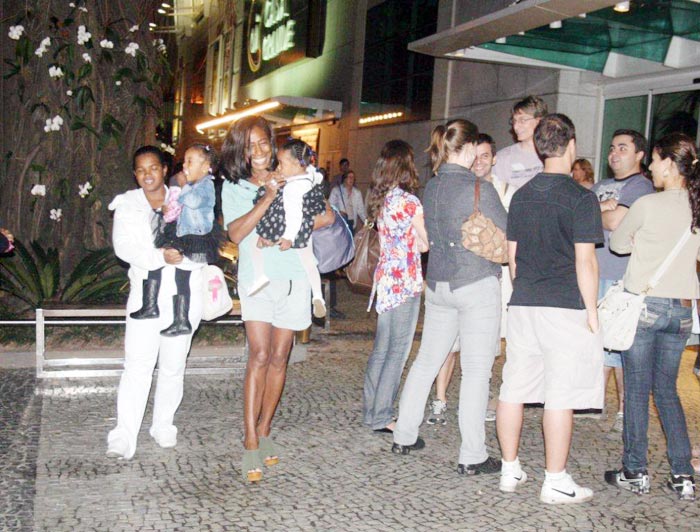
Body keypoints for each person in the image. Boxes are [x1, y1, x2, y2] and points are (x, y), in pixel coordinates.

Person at [497, 114, 604, 504]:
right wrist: (592, 311)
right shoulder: (580, 197)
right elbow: (585, 262)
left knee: (514, 387)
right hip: (563, 306)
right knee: (560, 394)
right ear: (571, 145)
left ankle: (510, 469)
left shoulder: (521, 196)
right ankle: (555, 480)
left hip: (523, 301)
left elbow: (512, 258)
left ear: (540, 149)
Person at [220, 115, 333, 482]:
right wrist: (268, 197)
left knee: (281, 357)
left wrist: (291, 225)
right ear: (241, 150)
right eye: (249, 146)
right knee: (260, 354)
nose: (257, 151)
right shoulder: (235, 186)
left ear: (272, 142)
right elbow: (236, 234)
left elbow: (327, 216)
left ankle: (265, 428)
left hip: (295, 278)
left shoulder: (294, 174)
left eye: (262, 143)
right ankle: (250, 439)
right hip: (258, 281)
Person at [392, 119, 507, 478]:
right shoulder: (480, 189)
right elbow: (507, 229)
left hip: (439, 284)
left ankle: (405, 435)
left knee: (426, 360)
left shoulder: (432, 188)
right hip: (475, 284)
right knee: (476, 371)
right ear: (470, 147)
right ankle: (473, 454)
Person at [604, 133, 700, 501]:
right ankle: (682, 474)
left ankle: (635, 470)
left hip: (644, 307)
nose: (652, 168)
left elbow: (617, 243)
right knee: (667, 390)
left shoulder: (647, 203)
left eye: (656, 160)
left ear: (669, 163)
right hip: (681, 309)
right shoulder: (696, 206)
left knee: (638, 390)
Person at [106, 145, 205, 460]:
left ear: (164, 169)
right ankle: (124, 435)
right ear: (135, 175)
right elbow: (123, 247)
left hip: (182, 297)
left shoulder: (187, 199)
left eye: (153, 168)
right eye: (140, 169)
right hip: (144, 298)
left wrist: (183, 258)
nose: (147, 174)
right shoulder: (128, 204)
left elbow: (204, 243)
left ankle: (163, 425)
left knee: (174, 366)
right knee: (137, 365)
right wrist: (158, 256)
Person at [427, 133, 512, 426]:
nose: (480, 160)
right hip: (470, 280)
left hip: (475, 278)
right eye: (476, 154)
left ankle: (472, 408)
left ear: (494, 159)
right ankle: (445, 407)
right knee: (456, 354)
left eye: (486, 155)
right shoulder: (468, 187)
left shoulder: (503, 189)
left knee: (480, 354)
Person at [363, 140, 429, 434]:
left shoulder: (380, 199)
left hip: (385, 279)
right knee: (397, 352)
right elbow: (425, 243)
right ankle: (383, 415)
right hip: (405, 281)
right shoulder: (410, 203)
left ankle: (370, 411)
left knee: (381, 349)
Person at [591, 130, 654, 430]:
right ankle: (595, 401)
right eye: (612, 147)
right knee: (597, 341)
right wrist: (605, 208)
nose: (614, 153)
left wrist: (599, 211)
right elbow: (581, 215)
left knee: (622, 342)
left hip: (623, 275)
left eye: (623, 148)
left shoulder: (641, 186)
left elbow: (618, 223)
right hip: (594, 271)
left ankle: (625, 411)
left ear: (640, 155)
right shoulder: (601, 185)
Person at [131, 143, 219, 337]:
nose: (185, 166)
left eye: (190, 162)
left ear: (205, 167)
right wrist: (166, 209)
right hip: (182, 233)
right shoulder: (194, 185)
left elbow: (194, 202)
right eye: (184, 161)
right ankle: (150, 304)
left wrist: (183, 186)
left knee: (182, 277)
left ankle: (181, 319)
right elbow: (177, 207)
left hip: (195, 237)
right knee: (158, 258)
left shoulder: (206, 185)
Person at [248, 139, 327, 318]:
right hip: (306, 228)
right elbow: (316, 176)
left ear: (296, 163)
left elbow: (292, 214)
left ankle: (260, 276)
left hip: (293, 227)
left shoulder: (293, 188)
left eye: (281, 163)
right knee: (309, 262)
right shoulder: (309, 176)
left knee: (256, 242)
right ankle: (318, 296)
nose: (279, 167)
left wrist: (289, 237)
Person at [493, 95, 548, 191]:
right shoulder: (503, 158)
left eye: (522, 120)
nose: (516, 127)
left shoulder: (552, 156)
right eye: (514, 121)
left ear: (539, 121)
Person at [329, 169, 366, 234]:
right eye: (349, 177)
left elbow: (361, 211)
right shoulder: (336, 191)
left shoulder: (357, 193)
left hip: (351, 224)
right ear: (344, 179)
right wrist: (338, 212)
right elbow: (329, 207)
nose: (351, 179)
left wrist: (367, 222)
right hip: (339, 224)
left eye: (353, 178)